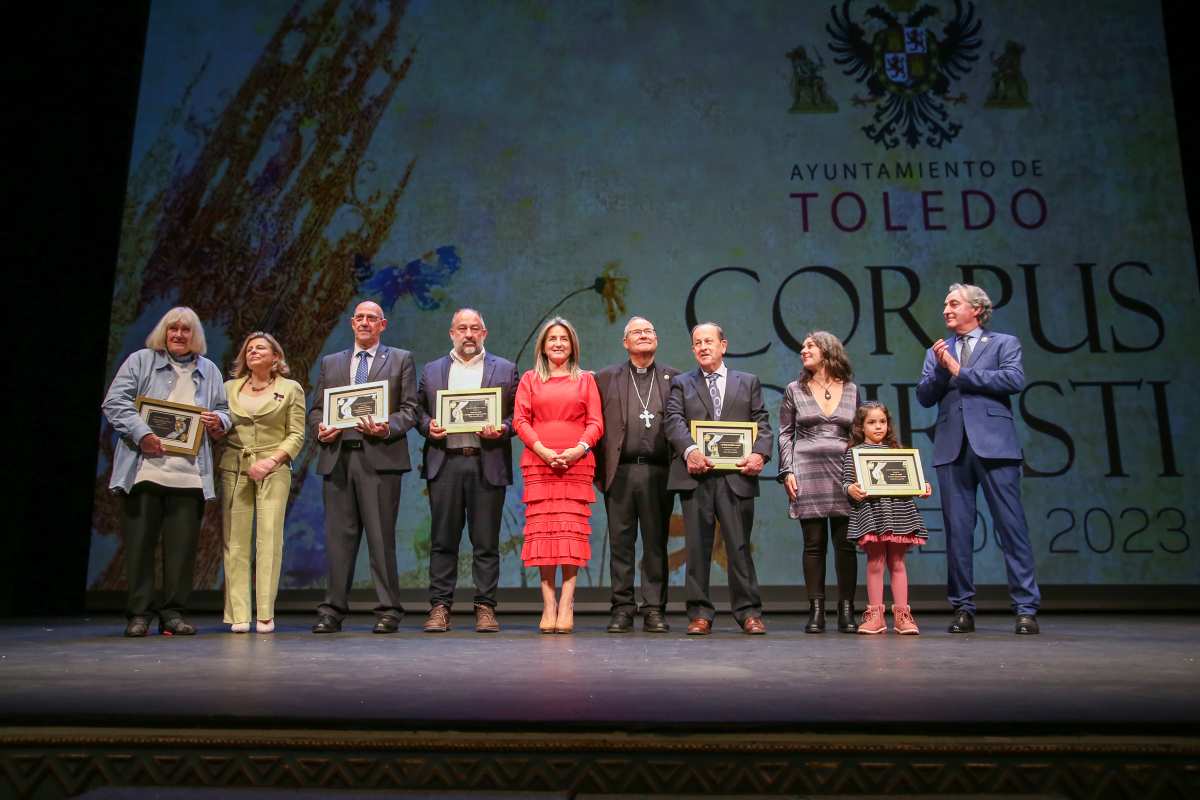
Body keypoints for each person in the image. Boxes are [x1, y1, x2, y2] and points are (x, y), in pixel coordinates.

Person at [916, 283, 1041, 635]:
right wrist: (943, 369)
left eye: (953, 303)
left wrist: (960, 371)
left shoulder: (1003, 343)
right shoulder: (937, 351)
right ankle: (962, 607)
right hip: (952, 447)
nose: (946, 310)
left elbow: (1013, 379)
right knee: (957, 532)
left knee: (1011, 528)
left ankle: (1026, 608)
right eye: (945, 304)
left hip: (995, 447)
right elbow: (925, 396)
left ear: (977, 309)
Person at [101, 306, 230, 637]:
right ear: (164, 332)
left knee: (182, 550)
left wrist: (220, 422)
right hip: (144, 472)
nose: (179, 335)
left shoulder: (210, 370)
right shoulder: (141, 361)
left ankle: (172, 613)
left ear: (195, 336)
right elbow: (115, 402)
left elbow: (224, 411)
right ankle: (139, 614)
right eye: (173, 329)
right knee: (140, 546)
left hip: (188, 475)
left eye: (186, 330)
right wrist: (142, 434)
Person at [308, 300, 419, 634]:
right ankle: (332, 611)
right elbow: (316, 410)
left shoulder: (400, 359)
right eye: (360, 318)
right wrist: (321, 428)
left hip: (380, 460)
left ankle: (388, 610)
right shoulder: (331, 363)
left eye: (372, 318)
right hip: (339, 459)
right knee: (338, 540)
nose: (365, 323)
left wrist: (386, 427)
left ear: (382, 325)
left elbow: (411, 410)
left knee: (380, 538)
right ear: (351, 323)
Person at [664, 322, 772, 635]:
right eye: (697, 342)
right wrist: (690, 451)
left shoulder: (748, 382)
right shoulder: (682, 384)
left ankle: (749, 612)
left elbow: (762, 423)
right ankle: (700, 614)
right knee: (697, 548)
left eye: (708, 341)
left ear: (723, 345)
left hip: (737, 476)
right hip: (696, 476)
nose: (702, 347)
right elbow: (673, 421)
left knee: (738, 547)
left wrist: (759, 455)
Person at [416, 309, 519, 633]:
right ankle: (439, 608)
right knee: (442, 541)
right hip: (445, 462)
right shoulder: (432, 370)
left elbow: (519, 415)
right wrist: (426, 426)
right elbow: (416, 410)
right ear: (452, 333)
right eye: (462, 328)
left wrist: (501, 428)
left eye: (475, 328)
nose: (469, 334)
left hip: (485, 462)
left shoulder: (505, 369)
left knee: (486, 542)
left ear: (484, 333)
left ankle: (485, 608)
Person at [513, 317, 603, 634]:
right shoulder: (529, 380)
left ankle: (567, 602)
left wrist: (578, 449)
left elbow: (596, 423)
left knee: (570, 536)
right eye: (552, 338)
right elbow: (520, 421)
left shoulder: (585, 380)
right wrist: (543, 451)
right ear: (543, 345)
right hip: (539, 464)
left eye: (564, 338)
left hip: (576, 464)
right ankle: (548, 603)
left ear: (572, 344)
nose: (558, 343)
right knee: (544, 535)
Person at [593, 316, 681, 633]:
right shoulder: (604, 378)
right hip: (621, 472)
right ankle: (622, 608)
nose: (643, 336)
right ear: (625, 342)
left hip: (659, 472)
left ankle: (654, 608)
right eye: (636, 332)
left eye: (649, 331)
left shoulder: (676, 378)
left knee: (656, 544)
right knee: (621, 544)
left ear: (656, 339)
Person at [216, 331, 305, 634]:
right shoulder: (228, 389)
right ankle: (239, 613)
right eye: (249, 348)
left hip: (274, 469)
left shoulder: (290, 389)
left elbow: (296, 434)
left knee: (268, 539)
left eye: (261, 348)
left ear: (275, 357)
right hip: (234, 468)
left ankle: (265, 613)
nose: (253, 352)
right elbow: (220, 426)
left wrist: (271, 461)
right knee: (235, 542)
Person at [777, 331, 861, 634]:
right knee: (813, 545)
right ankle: (816, 610)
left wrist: (860, 474)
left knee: (845, 544)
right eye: (803, 346)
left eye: (809, 346)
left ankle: (847, 610)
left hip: (844, 472)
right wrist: (786, 470)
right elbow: (785, 433)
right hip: (806, 469)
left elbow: (858, 435)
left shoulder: (851, 390)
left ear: (827, 350)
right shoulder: (794, 389)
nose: (803, 350)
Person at [841, 402, 931, 634]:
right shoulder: (855, 453)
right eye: (872, 422)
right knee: (876, 562)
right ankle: (876, 616)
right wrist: (850, 489)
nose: (878, 426)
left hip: (899, 512)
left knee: (898, 563)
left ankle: (902, 616)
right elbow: (847, 482)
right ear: (861, 426)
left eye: (882, 421)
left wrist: (921, 486)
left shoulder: (897, 452)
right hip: (873, 512)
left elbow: (910, 482)